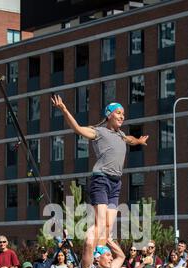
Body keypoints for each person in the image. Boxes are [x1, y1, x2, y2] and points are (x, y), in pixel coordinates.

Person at [51, 95, 149, 246]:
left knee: (109, 226)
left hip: (116, 183)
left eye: (123, 114)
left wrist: (139, 141)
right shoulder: (98, 132)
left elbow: (130, 139)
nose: (122, 116)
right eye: (118, 113)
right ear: (109, 115)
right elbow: (77, 128)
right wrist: (64, 109)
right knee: (101, 223)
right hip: (101, 180)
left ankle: (100, 252)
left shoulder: (121, 135)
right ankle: (90, 251)